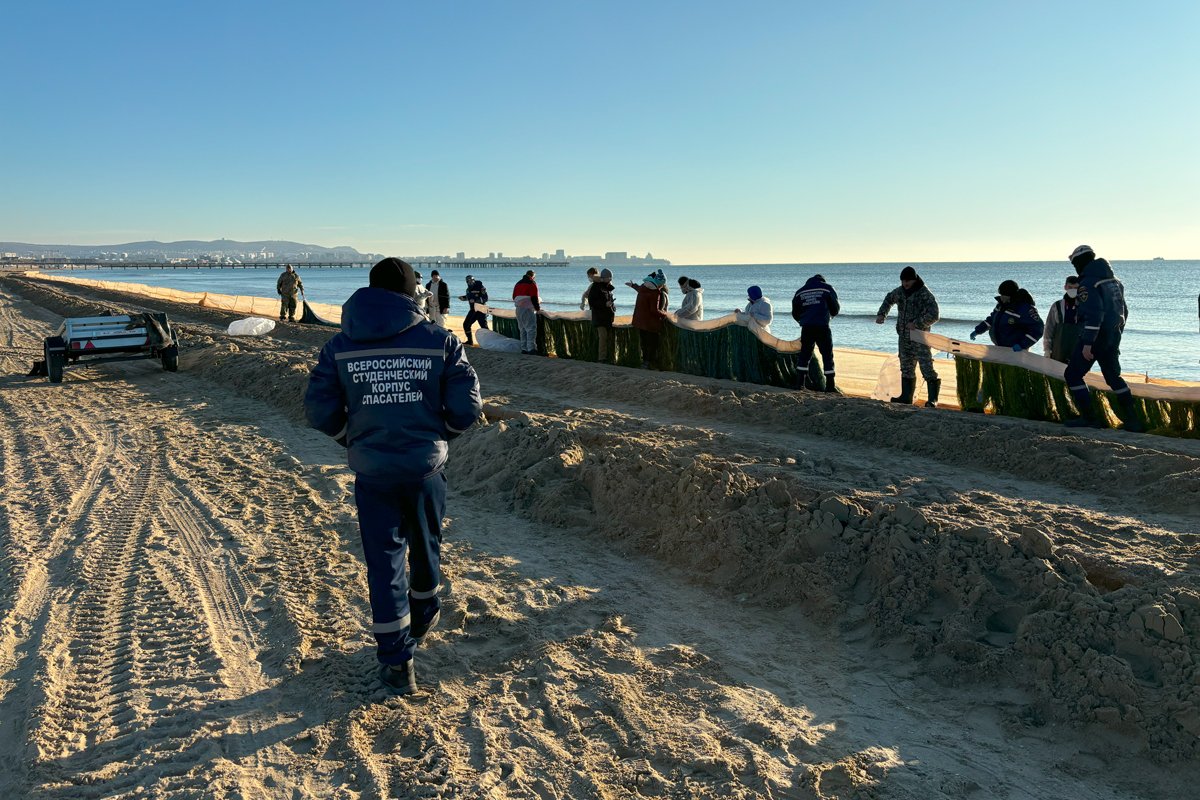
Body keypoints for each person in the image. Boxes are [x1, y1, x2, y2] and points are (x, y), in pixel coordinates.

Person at [303, 257, 482, 695]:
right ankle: (424, 612)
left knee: (383, 563)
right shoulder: (440, 341)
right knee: (426, 544)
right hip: (425, 469)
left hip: (373, 471)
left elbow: (319, 409)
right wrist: (439, 436)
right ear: (410, 293)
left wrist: (350, 438)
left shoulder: (340, 344)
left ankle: (397, 663)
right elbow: (468, 407)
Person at [1062, 245, 1143, 431]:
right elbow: (1124, 311)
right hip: (1113, 335)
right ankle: (1133, 420)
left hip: (1095, 337)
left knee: (1072, 375)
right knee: (1113, 377)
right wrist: (1117, 332)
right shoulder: (1115, 282)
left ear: (1079, 262)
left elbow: (1094, 314)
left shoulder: (1088, 283)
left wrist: (1088, 343)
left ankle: (1089, 418)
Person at [876, 266, 941, 406]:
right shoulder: (899, 292)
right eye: (903, 281)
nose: (905, 283)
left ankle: (933, 400)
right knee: (906, 368)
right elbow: (888, 299)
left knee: (926, 367)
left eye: (908, 280)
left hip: (920, 337)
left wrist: (917, 323)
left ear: (914, 279)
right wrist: (882, 314)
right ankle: (906, 397)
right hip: (903, 337)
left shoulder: (924, 293)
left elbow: (934, 315)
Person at [791, 274, 841, 393]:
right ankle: (830, 385)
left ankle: (800, 384)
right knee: (827, 355)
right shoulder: (827, 288)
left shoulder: (800, 292)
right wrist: (829, 316)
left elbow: (795, 312)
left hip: (807, 327)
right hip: (822, 326)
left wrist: (802, 320)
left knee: (805, 354)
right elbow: (835, 308)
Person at [969, 280, 1044, 352]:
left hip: (1017, 350)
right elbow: (991, 320)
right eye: (1000, 294)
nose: (1001, 297)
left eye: (1003, 295)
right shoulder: (1001, 306)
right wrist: (977, 331)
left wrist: (1022, 345)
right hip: (1000, 347)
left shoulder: (1024, 309)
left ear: (1010, 295)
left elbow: (1037, 329)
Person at [626, 269, 669, 369]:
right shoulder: (655, 293)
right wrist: (665, 315)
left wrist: (633, 285)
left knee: (644, 343)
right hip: (650, 324)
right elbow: (654, 310)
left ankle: (645, 362)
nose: (661, 287)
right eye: (661, 284)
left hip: (639, 321)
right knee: (653, 344)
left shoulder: (643, 288)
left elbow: (638, 288)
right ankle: (651, 363)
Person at [1042, 275, 1081, 363]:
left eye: (1076, 288)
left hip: (1078, 349)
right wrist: (1047, 349)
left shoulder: (1084, 306)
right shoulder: (1056, 306)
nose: (1073, 290)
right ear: (1065, 287)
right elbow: (1049, 328)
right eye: (1070, 287)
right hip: (1058, 349)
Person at [588, 268, 617, 363]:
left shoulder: (607, 287)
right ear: (603, 278)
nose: (610, 279)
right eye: (609, 278)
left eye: (611, 278)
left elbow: (610, 300)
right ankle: (602, 358)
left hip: (608, 317)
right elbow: (592, 302)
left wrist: (613, 307)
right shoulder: (596, 287)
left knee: (609, 338)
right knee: (603, 338)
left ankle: (610, 358)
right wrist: (605, 304)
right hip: (599, 318)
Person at [512, 270, 541, 355]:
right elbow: (534, 297)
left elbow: (514, 297)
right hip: (528, 308)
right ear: (533, 276)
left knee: (522, 329)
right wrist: (537, 308)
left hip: (518, 309)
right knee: (531, 328)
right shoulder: (531, 283)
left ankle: (524, 348)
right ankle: (531, 349)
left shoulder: (518, 283)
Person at [459, 275, 489, 346]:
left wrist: (476, 301)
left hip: (481, 310)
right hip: (473, 310)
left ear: (474, 280)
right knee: (466, 324)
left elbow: (485, 298)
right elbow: (469, 298)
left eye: (472, 280)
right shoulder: (468, 289)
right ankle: (470, 341)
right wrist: (463, 298)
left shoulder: (480, 287)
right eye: (468, 281)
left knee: (484, 327)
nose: (470, 282)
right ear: (466, 282)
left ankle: (489, 342)